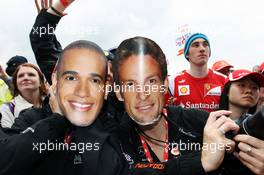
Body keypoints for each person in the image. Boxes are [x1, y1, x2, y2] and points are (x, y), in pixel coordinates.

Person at [112, 36, 243, 174]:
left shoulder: (201, 122)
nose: (143, 95)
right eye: (131, 84)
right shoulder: (112, 140)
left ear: (165, 84)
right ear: (119, 93)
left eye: (151, 81)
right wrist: (202, 161)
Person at [0, 40, 128, 175]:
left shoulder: (113, 125)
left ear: (106, 88)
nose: (82, 91)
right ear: (55, 79)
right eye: (71, 78)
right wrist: (56, 121)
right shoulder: (31, 117)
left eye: (94, 80)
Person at [219, 69, 264, 174]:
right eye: (241, 85)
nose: (249, 91)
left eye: (254, 87)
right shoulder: (209, 124)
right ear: (227, 91)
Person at [171, 33, 226, 112]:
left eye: (205, 45)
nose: (202, 49)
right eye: (196, 45)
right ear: (187, 54)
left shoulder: (223, 80)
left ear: (209, 52)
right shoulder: (172, 81)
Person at [1, 63, 47, 128]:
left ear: (40, 82)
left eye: (31, 75)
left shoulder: (53, 102)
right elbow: (8, 136)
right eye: (20, 76)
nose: (25, 78)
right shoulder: (6, 109)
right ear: (16, 83)